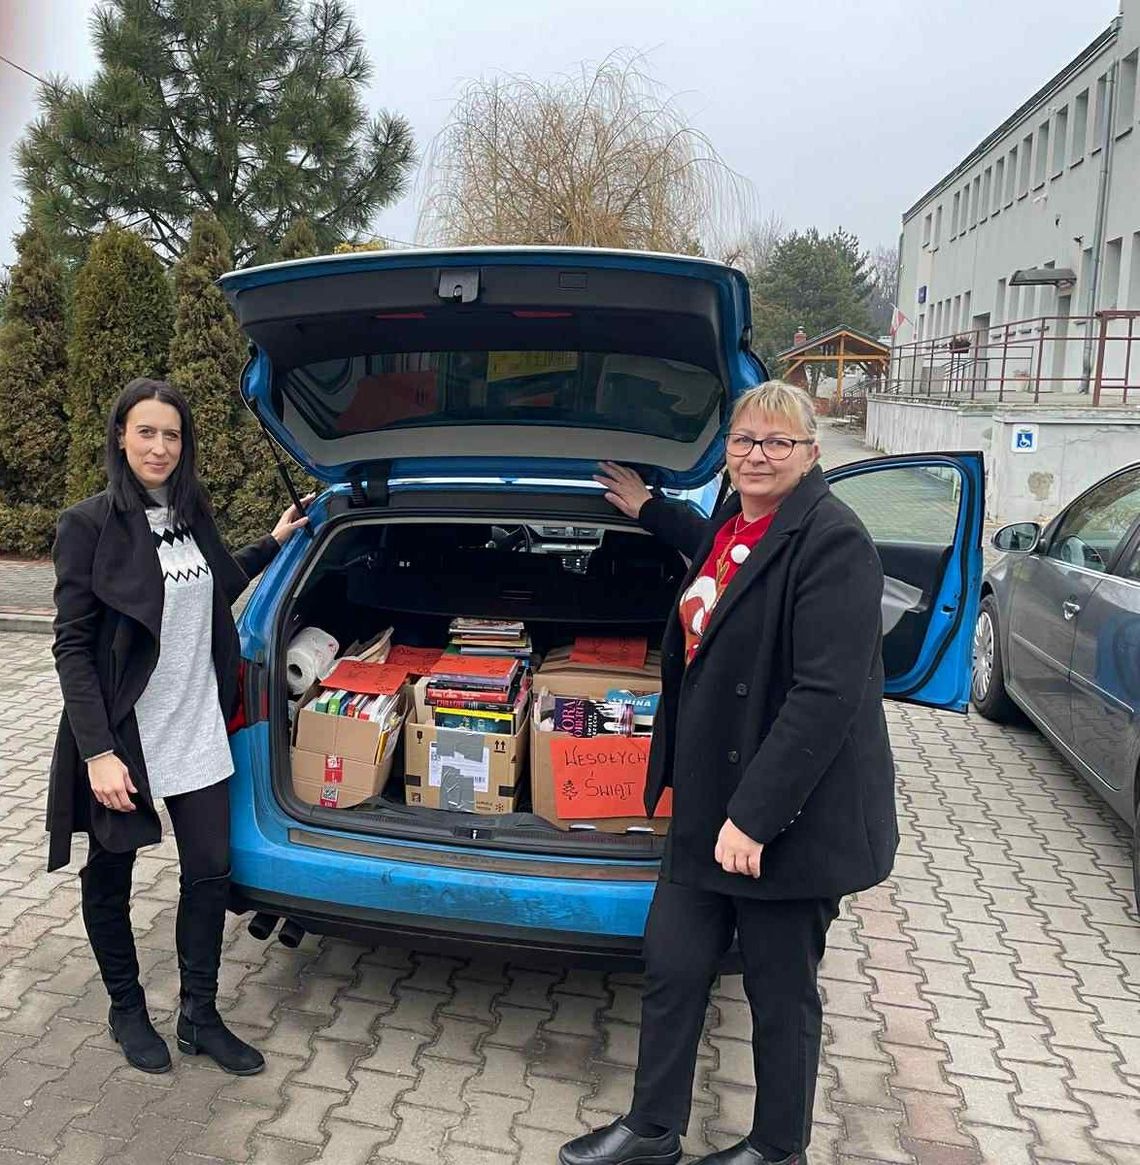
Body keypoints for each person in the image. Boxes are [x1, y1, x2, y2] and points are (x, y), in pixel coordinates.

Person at [559, 381, 897, 1165]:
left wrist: (755, 816)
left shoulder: (833, 541)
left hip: (788, 814)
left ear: (812, 453)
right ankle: (652, 1129)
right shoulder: (734, 521)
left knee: (781, 993)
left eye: (778, 442)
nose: (757, 455)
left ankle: (779, 1147)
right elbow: (711, 553)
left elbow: (826, 696)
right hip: (709, 799)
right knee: (673, 963)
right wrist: (648, 507)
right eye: (745, 440)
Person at [47, 378, 312, 1076]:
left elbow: (214, 583)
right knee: (112, 874)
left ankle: (199, 1012)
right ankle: (126, 1007)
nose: (161, 446)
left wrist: (272, 541)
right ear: (120, 437)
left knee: (209, 872)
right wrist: (98, 751)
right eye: (147, 432)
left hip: (195, 726)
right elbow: (71, 645)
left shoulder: (191, 512)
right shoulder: (89, 524)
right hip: (125, 735)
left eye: (172, 434)